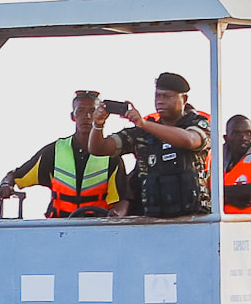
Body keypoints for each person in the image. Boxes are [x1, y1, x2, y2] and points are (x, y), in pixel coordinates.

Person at [89, 72, 211, 219]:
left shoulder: (198, 123)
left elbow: (190, 140)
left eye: (167, 96)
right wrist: (98, 124)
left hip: (194, 218)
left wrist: (143, 124)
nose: (160, 101)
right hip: (154, 218)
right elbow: (99, 148)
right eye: (157, 96)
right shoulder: (142, 132)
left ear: (183, 99)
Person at [0, 89, 127, 217]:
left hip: (96, 230)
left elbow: (123, 199)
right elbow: (15, 175)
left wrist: (116, 216)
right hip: (59, 230)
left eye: (92, 111)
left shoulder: (111, 155)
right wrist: (6, 185)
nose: (86, 116)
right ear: (73, 116)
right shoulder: (54, 152)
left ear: (100, 115)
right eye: (80, 111)